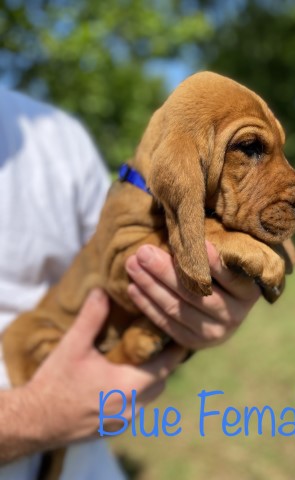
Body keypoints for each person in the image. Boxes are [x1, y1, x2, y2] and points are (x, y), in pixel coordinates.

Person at [0, 86, 260, 479]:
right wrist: (37, 417)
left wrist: (195, 316)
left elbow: (125, 263)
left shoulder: (58, 135)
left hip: (87, 462)